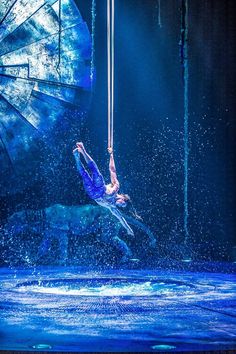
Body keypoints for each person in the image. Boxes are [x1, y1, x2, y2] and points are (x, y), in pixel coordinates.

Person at [73, 142, 134, 236]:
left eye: (122, 207)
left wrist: (128, 229)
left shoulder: (112, 207)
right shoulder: (116, 187)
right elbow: (112, 170)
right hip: (100, 187)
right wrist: (111, 155)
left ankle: (77, 157)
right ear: (123, 198)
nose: (120, 206)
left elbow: (121, 219)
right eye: (123, 204)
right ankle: (83, 151)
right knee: (95, 170)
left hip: (93, 194)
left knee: (84, 174)